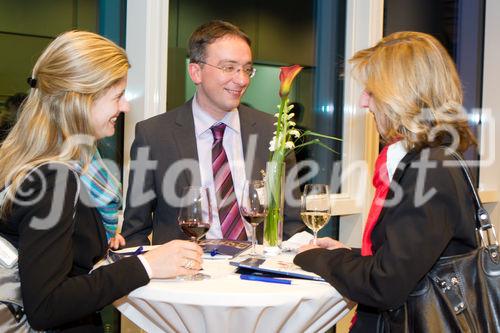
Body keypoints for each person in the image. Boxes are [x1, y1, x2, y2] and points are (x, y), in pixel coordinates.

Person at [0, 30, 203, 332]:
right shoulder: (55, 176)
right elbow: (47, 306)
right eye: (118, 96)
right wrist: (147, 266)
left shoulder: (23, 159)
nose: (125, 107)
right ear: (80, 99)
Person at [294, 31, 478, 332]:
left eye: (371, 90)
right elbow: (410, 261)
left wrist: (315, 259)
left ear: (402, 94)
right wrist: (345, 254)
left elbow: (385, 284)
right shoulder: (434, 160)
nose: (363, 102)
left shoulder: (431, 169)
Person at [121, 20, 302, 246]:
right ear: (196, 72)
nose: (242, 80)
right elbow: (134, 231)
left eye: (247, 69)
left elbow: (292, 224)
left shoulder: (272, 131)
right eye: (229, 67)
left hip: (257, 275)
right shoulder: (154, 135)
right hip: (184, 276)